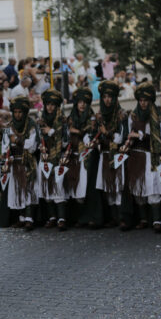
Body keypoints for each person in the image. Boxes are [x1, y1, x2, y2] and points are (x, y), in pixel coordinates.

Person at [122, 82, 161, 232]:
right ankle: (144, 219)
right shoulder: (132, 116)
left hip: (150, 156)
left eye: (146, 100)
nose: (143, 103)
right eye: (140, 100)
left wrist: (140, 135)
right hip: (136, 156)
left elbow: (157, 136)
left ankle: (156, 221)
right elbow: (128, 133)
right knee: (138, 188)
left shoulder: (157, 116)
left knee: (153, 187)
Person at [0, 96, 39, 230]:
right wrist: (14, 144)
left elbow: (32, 146)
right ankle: (20, 217)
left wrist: (16, 141)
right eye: (15, 112)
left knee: (29, 189)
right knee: (18, 190)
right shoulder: (8, 128)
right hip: (15, 163)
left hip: (28, 163)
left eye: (20, 112)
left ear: (25, 112)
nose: (18, 115)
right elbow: (5, 146)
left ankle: (29, 218)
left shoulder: (32, 125)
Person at [94, 81, 128, 227]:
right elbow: (95, 135)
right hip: (104, 154)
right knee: (108, 187)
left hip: (117, 155)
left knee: (118, 186)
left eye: (110, 97)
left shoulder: (121, 115)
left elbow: (119, 138)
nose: (107, 100)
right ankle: (113, 217)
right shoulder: (99, 116)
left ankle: (122, 217)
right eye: (105, 97)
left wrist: (106, 133)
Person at [65, 88, 100, 227]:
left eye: (85, 102)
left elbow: (90, 137)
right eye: (79, 102)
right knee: (76, 188)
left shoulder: (92, 119)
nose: (82, 105)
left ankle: (90, 216)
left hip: (88, 158)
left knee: (88, 188)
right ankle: (78, 217)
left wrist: (78, 132)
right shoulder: (70, 119)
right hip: (73, 157)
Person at [36, 89, 68, 230]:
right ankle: (52, 217)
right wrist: (40, 146)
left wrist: (51, 131)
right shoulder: (40, 120)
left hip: (58, 157)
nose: (50, 107)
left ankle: (62, 217)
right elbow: (38, 138)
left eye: (52, 104)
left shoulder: (62, 119)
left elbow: (65, 140)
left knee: (58, 186)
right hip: (45, 157)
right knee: (46, 187)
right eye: (47, 104)